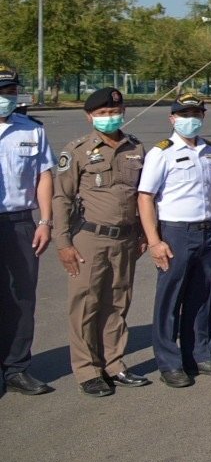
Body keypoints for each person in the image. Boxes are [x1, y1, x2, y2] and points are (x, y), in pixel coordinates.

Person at [52, 87, 147, 396]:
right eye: (103, 113)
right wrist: (63, 243)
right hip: (89, 239)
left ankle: (114, 363)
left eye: (114, 112)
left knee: (118, 303)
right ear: (89, 116)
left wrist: (146, 233)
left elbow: (144, 196)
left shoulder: (136, 148)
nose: (110, 117)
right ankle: (87, 370)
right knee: (86, 305)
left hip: (125, 240)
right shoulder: (77, 150)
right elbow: (62, 198)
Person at [137, 92, 211, 387]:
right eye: (184, 114)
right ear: (173, 119)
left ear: (203, 116)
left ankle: (200, 355)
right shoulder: (161, 152)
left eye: (196, 114)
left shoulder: (209, 150)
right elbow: (145, 197)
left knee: (204, 298)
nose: (191, 119)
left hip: (205, 230)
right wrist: (155, 241)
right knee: (170, 299)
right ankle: (169, 363)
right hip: (176, 232)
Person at [0, 65, 54, 398]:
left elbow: (44, 176)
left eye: (8, 92)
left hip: (19, 222)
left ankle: (16, 368)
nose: (4, 98)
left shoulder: (31, 130)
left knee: (21, 297)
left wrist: (45, 221)